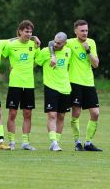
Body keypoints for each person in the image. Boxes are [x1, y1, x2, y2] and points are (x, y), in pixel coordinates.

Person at [64, 19, 103, 152]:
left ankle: (88, 143)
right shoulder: (69, 42)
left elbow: (95, 64)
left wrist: (88, 50)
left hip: (89, 83)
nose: (85, 33)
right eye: (82, 31)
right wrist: (33, 38)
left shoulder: (91, 43)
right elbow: (54, 43)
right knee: (76, 113)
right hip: (74, 82)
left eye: (86, 30)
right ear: (75, 31)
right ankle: (77, 142)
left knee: (95, 113)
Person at [3, 20, 40, 151]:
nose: (29, 34)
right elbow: (1, 54)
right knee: (12, 113)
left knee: (27, 113)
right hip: (15, 84)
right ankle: (12, 142)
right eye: (26, 31)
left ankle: (25, 143)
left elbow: (38, 60)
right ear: (20, 31)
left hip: (29, 84)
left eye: (31, 32)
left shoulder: (34, 45)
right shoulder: (11, 45)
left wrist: (29, 67)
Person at [39, 32, 72, 151]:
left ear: (65, 43)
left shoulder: (69, 51)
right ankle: (53, 142)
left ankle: (56, 142)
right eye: (55, 42)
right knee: (52, 115)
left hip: (65, 88)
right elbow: (35, 62)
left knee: (61, 116)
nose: (56, 45)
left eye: (59, 43)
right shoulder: (45, 51)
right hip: (51, 87)